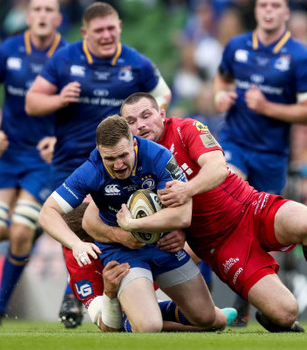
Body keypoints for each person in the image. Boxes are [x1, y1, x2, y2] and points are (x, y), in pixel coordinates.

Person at [107, 92, 307, 334]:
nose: (141, 125)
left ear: (161, 114)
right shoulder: (128, 161)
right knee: (286, 314)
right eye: (132, 121)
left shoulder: (186, 128)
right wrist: (173, 230)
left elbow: (218, 168)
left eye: (146, 116)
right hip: (221, 244)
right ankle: (272, 314)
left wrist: (187, 190)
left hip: (250, 206)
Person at [25, 1, 171, 328]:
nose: (106, 35)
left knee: (124, 229)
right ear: (84, 33)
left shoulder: (136, 63)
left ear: (119, 26)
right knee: (76, 224)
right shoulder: (64, 59)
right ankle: (84, 292)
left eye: (111, 28)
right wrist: (60, 100)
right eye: (99, 30)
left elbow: (163, 95)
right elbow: (32, 102)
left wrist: (144, 126)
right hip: (73, 163)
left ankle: (106, 296)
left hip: (122, 165)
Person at [38, 115, 229, 333]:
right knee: (149, 326)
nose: (118, 165)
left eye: (123, 155)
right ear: (99, 151)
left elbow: (182, 217)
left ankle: (141, 312)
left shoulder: (159, 156)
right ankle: (138, 316)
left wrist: (132, 225)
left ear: (133, 143)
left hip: (162, 243)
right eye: (110, 159)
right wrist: (76, 244)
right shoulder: (90, 170)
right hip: (122, 253)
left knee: (208, 318)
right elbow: (47, 213)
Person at [212, 0, 307, 326]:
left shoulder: (301, 56)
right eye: (264, 4)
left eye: (276, 5)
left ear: (286, 13)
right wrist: (220, 97)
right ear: (257, 10)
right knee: (229, 199)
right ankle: (206, 289)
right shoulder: (237, 46)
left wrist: (268, 106)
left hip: (273, 154)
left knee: (264, 231)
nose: (269, 10)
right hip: (235, 145)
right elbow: (221, 79)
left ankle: (248, 298)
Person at [0, 0, 67, 327]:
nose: (42, 15)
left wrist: (60, 138)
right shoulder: (9, 50)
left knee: (19, 233)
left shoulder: (68, 55)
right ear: (28, 16)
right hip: (7, 154)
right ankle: (34, 229)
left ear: (58, 18)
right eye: (37, 9)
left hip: (43, 160)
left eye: (49, 10)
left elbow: (80, 109)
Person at [62, 202, 237, 332]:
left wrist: (182, 235)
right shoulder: (80, 264)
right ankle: (193, 328)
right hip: (116, 304)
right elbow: (107, 327)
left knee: (218, 319)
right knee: (138, 325)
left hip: (143, 289)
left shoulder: (127, 230)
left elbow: (189, 251)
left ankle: (200, 320)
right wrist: (109, 293)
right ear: (89, 242)